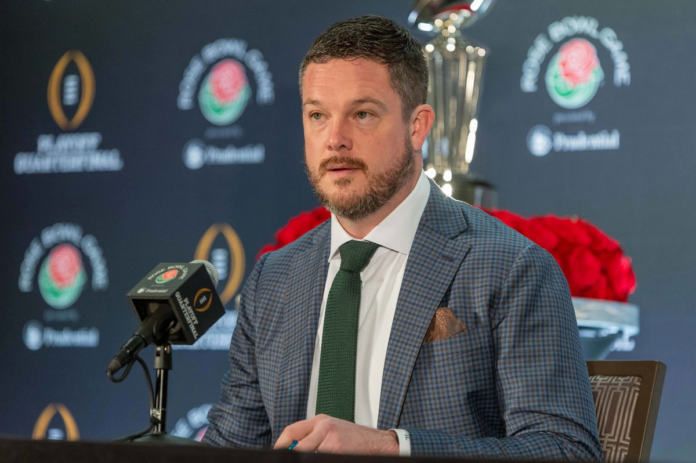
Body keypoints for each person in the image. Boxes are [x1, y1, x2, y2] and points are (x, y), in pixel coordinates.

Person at [203, 15, 602, 460]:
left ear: (417, 126)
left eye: (362, 114)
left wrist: (391, 448)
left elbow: (565, 450)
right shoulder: (273, 279)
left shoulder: (511, 267)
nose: (335, 139)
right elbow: (230, 447)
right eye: (318, 115)